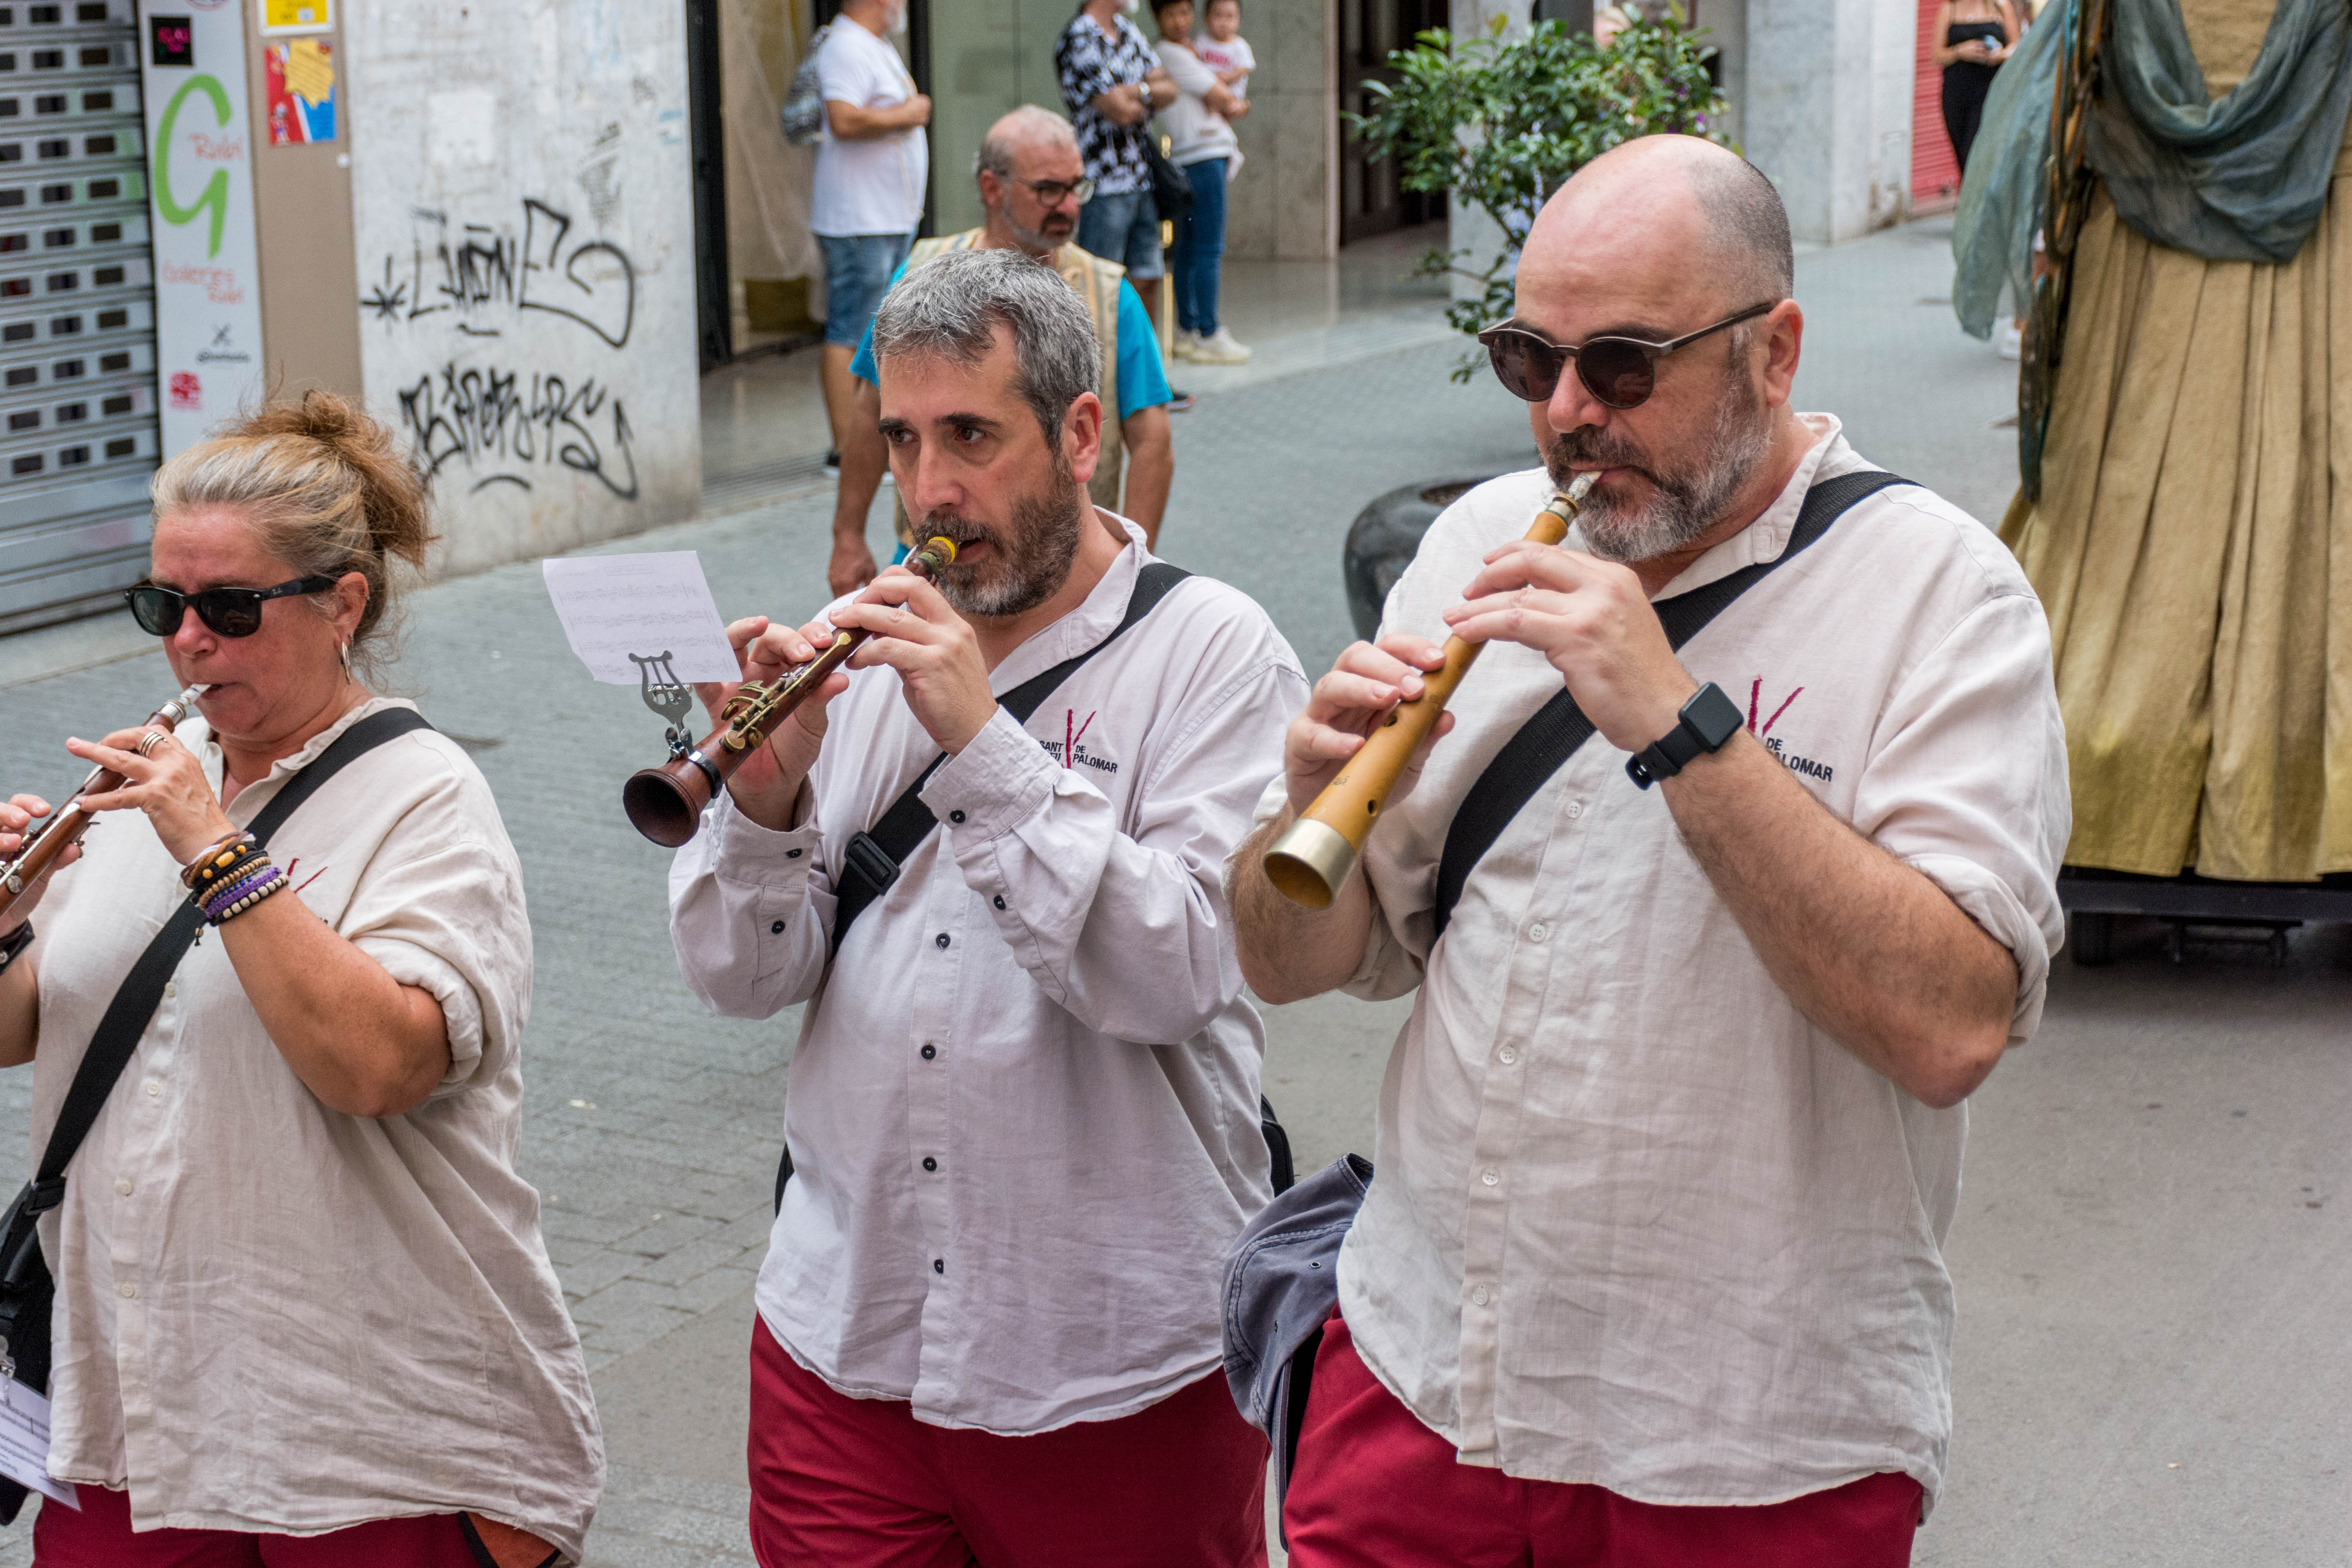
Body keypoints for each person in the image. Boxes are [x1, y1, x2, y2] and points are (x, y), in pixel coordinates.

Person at [1229, 134, 2068, 1563]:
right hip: (1430, 1374)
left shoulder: (1942, 593)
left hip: (1743, 1435)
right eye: (1526, 360)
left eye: (1621, 365)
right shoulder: (1482, 539)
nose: (1565, 415)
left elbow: (1951, 1025)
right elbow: (1294, 957)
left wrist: (1676, 722)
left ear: (1773, 350)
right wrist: (1298, 811)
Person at [669, 248, 1303, 1566]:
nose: (930, 489)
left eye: (971, 435)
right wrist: (769, 805)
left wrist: (984, 744)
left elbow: (1181, 971)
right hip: (845, 1337)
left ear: (1081, 436)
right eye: (902, 440)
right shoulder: (861, 634)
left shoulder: (1216, 651)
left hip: (1111, 1357)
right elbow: (740, 982)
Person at [0, 394, 601, 1566]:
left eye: (228, 607)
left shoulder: (428, 797)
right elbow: (25, 1030)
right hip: (138, 1407)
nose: (187, 642)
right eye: (162, 604)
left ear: (343, 604)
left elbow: (377, 1065)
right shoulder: (149, 782)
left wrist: (217, 851)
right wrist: (10, 923)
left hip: (360, 1424)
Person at [827, 106, 1175, 594]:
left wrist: (1132, 575)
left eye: (1077, 187)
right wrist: (847, 535)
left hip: (1062, 581)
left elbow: (1153, 441)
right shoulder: (920, 275)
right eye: (1049, 189)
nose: (1070, 206)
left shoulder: (1111, 297)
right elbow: (870, 414)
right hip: (928, 563)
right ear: (993, 189)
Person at [811, 0, 931, 471]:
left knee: (875, 332)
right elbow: (844, 120)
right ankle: (846, 451)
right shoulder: (844, 46)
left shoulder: (874, 46)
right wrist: (908, 114)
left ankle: (868, 445)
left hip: (885, 218)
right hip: (859, 221)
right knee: (850, 330)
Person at [1057, 0, 1175, 334]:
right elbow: (1120, 112)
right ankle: (1098, 379)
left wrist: (1137, 90)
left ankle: (1146, 380)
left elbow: (1171, 88)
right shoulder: (1079, 39)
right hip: (1103, 186)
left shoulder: (1128, 31)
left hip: (1141, 179)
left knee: (1148, 277)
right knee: (1098, 287)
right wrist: (1147, 99)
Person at [1153, 0, 1252, 365]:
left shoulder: (1185, 51)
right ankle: (1208, 332)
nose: (1181, 21)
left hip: (1191, 156)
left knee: (1189, 250)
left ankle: (1187, 331)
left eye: (1185, 13)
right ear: (1157, 18)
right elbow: (1223, 97)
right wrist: (1234, 100)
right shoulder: (1173, 54)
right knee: (1208, 248)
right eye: (1171, 14)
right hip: (1203, 155)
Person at [1932, 0, 2019, 178]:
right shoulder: (1949, 9)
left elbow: (2017, 47)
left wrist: (2000, 55)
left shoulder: (2000, 6)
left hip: (1990, 93)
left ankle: (1978, 203)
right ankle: (1969, 201)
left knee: (1975, 153)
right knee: (1962, 155)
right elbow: (1937, 55)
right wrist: (1959, 51)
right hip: (1956, 95)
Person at [1193, 0, 1254, 100]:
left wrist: (1228, 77)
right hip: (1207, 92)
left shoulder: (1240, 45)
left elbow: (1244, 68)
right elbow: (1194, 58)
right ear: (1207, 18)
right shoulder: (1202, 41)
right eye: (1218, 15)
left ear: (1238, 20)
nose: (1224, 22)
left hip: (1231, 95)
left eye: (1230, 16)